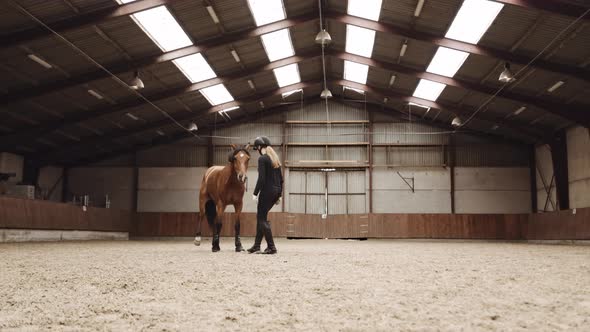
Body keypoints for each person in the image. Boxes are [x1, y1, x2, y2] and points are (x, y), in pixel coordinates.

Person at [248, 136, 283, 254]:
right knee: (261, 217)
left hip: (267, 192)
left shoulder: (262, 159)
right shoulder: (275, 159)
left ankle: (271, 247)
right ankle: (257, 246)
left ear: (259, 147)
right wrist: (279, 195)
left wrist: (255, 193)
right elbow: (281, 180)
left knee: (261, 219)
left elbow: (261, 179)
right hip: (276, 191)